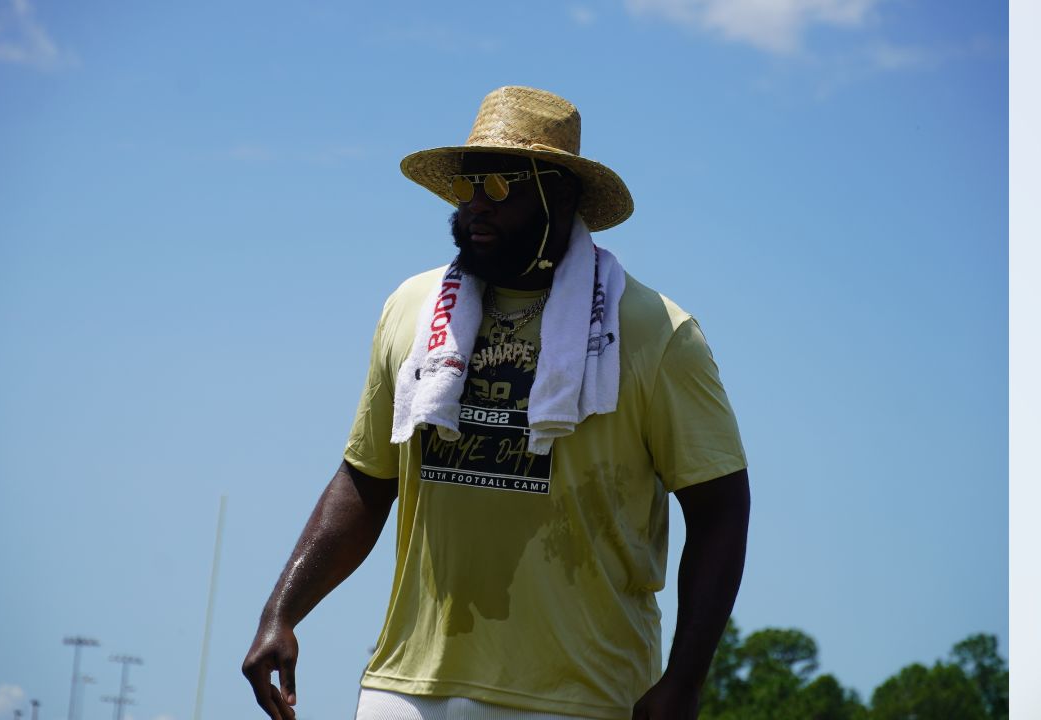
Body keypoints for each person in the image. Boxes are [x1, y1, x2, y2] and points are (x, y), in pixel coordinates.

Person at [243, 86, 750, 720]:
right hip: (407, 690)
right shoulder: (413, 311)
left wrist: (685, 678)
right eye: (469, 187)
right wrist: (281, 613)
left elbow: (720, 507)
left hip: (579, 699)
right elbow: (368, 478)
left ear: (560, 194)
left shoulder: (651, 331)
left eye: (503, 187)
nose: (476, 206)